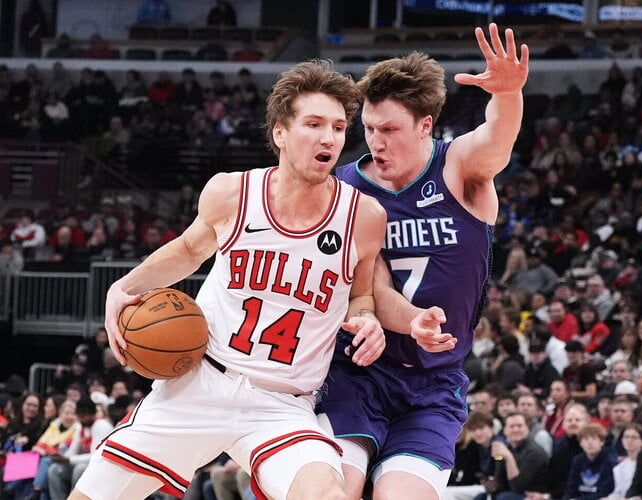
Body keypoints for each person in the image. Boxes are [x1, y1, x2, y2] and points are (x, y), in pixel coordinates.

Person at [68, 60, 387, 500]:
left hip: (282, 404)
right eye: (314, 124)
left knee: (328, 496)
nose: (329, 138)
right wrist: (123, 287)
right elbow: (187, 250)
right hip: (200, 383)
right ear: (280, 133)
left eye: (337, 127)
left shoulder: (364, 217)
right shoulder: (232, 193)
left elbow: (361, 295)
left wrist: (367, 318)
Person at [315, 23, 529, 500]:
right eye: (370, 128)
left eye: (390, 130)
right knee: (335, 491)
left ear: (425, 126)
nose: (376, 142)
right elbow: (370, 287)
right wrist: (411, 320)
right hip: (356, 373)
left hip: (433, 384)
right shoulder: (345, 189)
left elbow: (497, 138)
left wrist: (508, 95)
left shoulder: (460, 169)